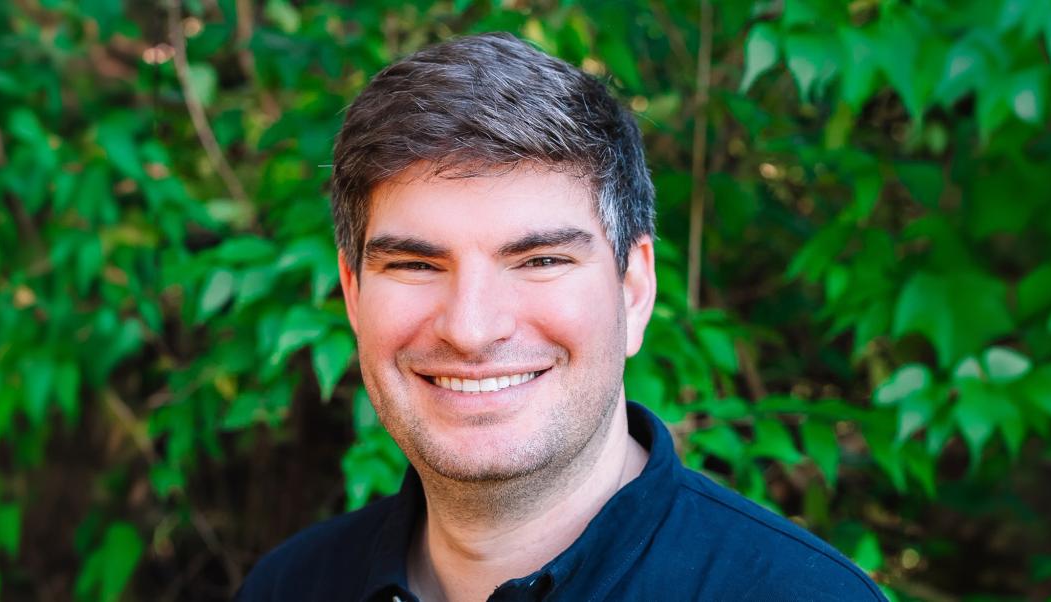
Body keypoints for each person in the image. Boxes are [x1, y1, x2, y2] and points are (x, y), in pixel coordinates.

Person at [237, 32, 885, 602]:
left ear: (634, 288)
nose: (470, 329)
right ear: (352, 295)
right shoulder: (290, 586)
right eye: (415, 265)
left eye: (540, 261)